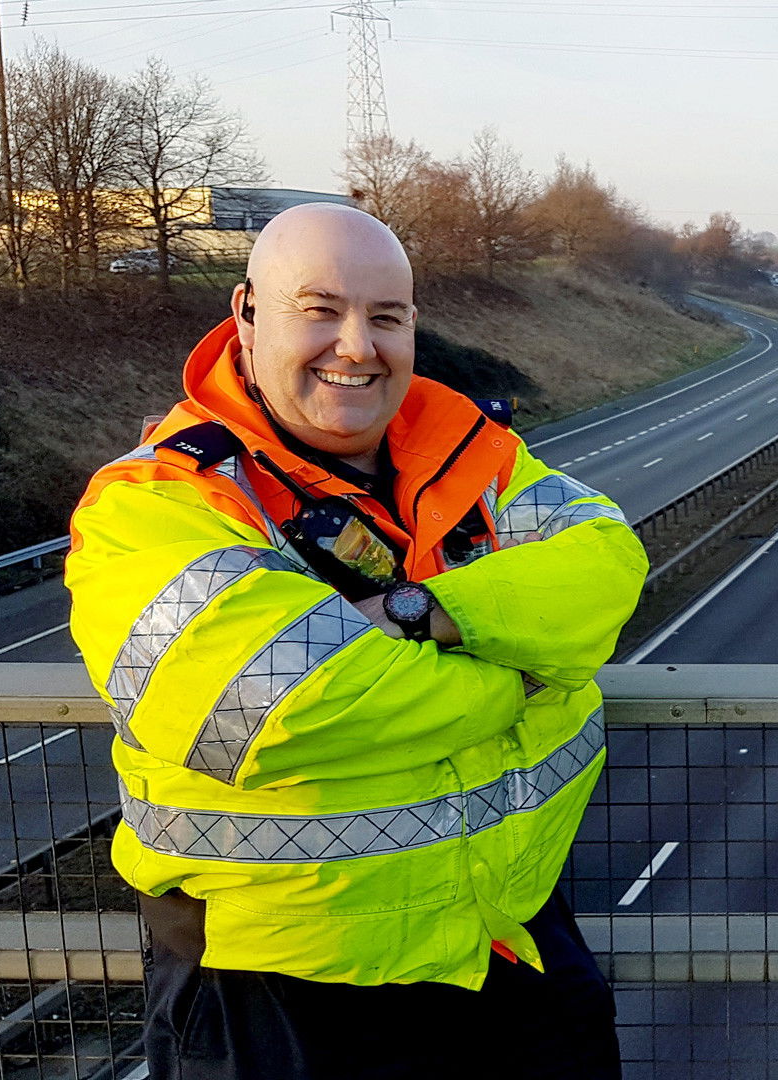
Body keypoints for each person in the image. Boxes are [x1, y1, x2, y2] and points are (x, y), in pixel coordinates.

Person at [66, 203, 646, 1079]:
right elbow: (285, 707)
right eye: (320, 309)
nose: (356, 345)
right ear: (247, 313)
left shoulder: (469, 450)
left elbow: (606, 567)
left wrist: (414, 613)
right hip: (285, 989)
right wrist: (526, 675)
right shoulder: (156, 504)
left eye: (386, 317)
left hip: (509, 943)